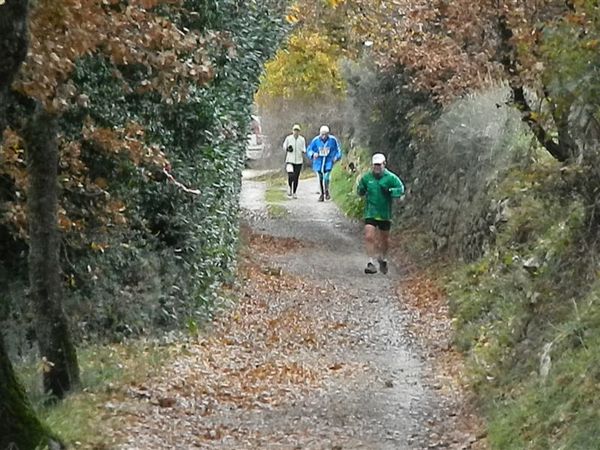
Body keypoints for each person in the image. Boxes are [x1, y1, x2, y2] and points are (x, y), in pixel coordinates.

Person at [357, 153, 405, 274]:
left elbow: (400, 189)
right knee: (369, 236)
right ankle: (370, 262)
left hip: (384, 213)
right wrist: (361, 190)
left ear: (384, 164)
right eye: (375, 166)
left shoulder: (391, 178)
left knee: (384, 240)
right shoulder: (367, 178)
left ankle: (382, 258)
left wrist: (390, 191)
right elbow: (360, 189)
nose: (377, 168)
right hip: (371, 212)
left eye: (379, 165)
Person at [306, 125, 342, 202]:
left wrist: (336, 157)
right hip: (318, 162)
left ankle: (326, 191)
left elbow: (338, 150)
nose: (324, 136)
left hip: (328, 161)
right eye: (322, 134)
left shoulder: (333, 140)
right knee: (320, 178)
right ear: (320, 134)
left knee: (326, 178)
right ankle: (321, 194)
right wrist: (313, 154)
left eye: (326, 134)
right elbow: (309, 149)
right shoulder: (316, 140)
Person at [282, 124, 306, 198]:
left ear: (299, 132)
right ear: (292, 131)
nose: (296, 132)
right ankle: (289, 187)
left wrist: (303, 152)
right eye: (295, 130)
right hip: (290, 160)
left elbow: (304, 149)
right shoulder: (288, 138)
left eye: (297, 131)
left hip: (299, 161)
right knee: (291, 174)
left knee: (296, 177)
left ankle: (294, 192)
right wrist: (288, 149)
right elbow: (284, 146)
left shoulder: (302, 139)